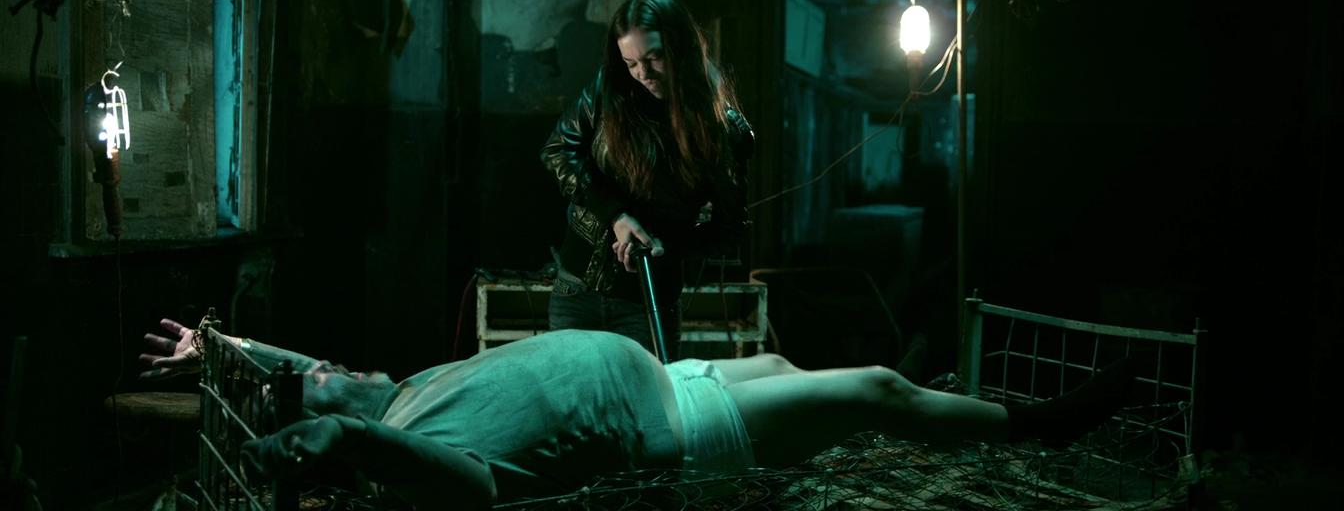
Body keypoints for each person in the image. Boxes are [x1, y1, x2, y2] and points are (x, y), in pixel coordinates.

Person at [140, 316, 1136, 510]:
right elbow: (475, 489)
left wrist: (222, 349)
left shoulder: (406, 385)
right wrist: (341, 435)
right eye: (320, 378)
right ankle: (1038, 423)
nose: (327, 364)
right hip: (683, 428)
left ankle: (916, 406)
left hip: (673, 372)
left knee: (793, 363)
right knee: (873, 386)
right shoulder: (410, 437)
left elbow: (298, 368)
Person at [540, 0, 755, 360]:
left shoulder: (724, 129)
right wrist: (615, 216)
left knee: (649, 399)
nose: (643, 73)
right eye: (631, 63)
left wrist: (662, 246)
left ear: (681, 48)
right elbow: (558, 150)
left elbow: (730, 229)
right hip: (576, 291)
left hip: (649, 301)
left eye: (654, 58)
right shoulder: (608, 90)